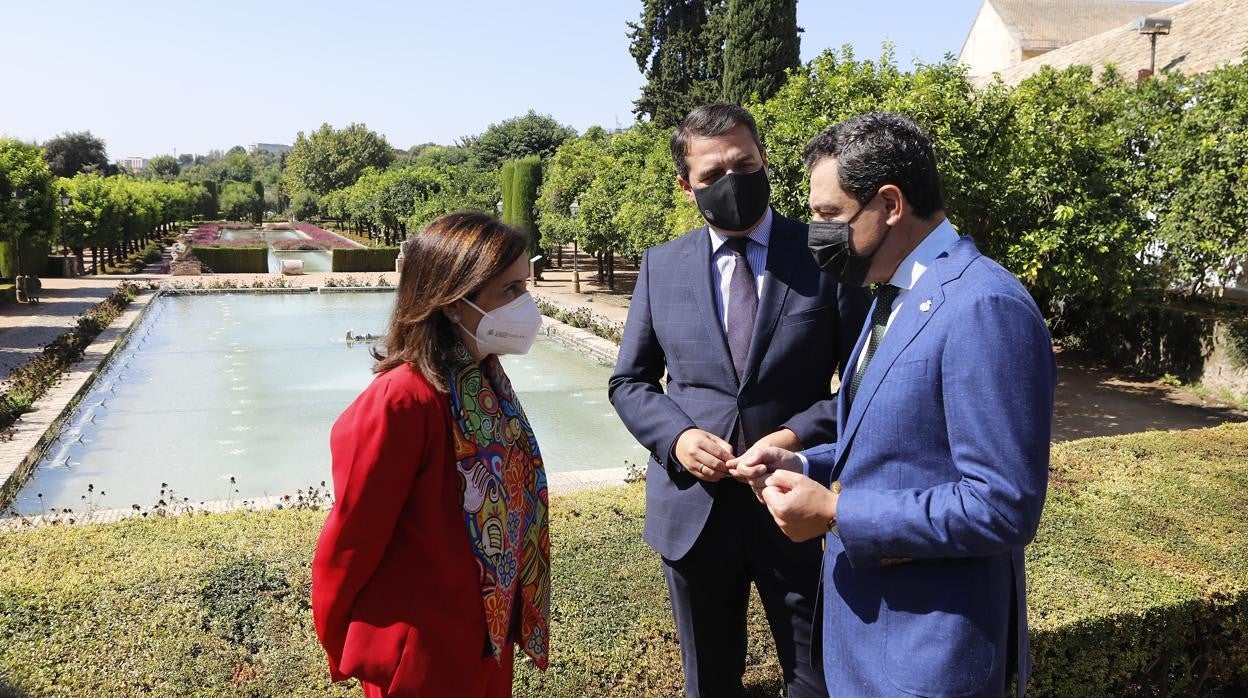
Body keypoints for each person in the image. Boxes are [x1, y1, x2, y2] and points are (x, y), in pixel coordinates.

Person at [731, 112, 1057, 697]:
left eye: (830, 215)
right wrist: (804, 465)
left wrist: (836, 515)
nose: (816, 232)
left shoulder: (984, 307)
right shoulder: (897, 293)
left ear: (889, 204)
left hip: (926, 659)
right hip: (870, 646)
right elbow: (889, 442)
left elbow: (1003, 506)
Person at [608, 103, 868, 697]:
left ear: (764, 160)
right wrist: (676, 437)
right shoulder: (661, 266)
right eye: (712, 174)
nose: (731, 181)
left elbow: (862, 383)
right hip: (693, 512)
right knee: (710, 683)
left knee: (817, 676)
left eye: (743, 164)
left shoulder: (828, 255)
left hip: (795, 504)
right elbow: (630, 381)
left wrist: (793, 437)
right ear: (686, 186)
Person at [312, 211, 550, 697]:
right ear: (451, 301)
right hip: (422, 658)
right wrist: (346, 642)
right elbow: (352, 540)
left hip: (486, 638)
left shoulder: (485, 379)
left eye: (525, 287)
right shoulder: (402, 401)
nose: (525, 305)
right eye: (509, 291)